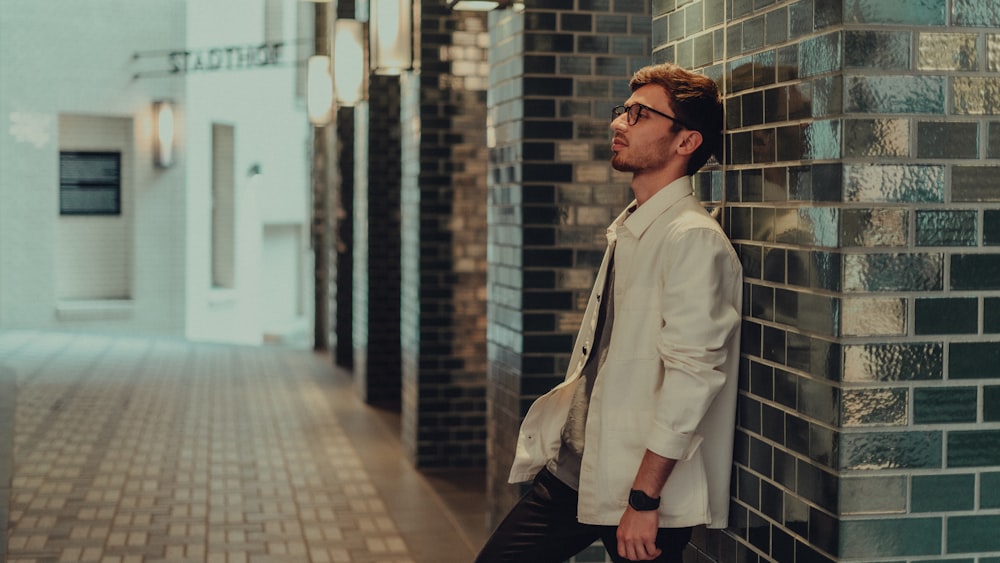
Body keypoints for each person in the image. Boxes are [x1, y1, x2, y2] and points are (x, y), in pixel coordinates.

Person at [474, 63, 743, 563]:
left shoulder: (692, 239)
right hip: (578, 469)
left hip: (641, 493)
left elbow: (693, 378)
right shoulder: (634, 226)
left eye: (640, 114)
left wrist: (644, 499)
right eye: (624, 110)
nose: (619, 123)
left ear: (686, 142)